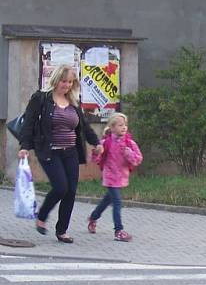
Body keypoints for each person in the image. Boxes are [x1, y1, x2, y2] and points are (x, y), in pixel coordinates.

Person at [17, 64, 100, 243]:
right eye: (64, 81)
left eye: (70, 82)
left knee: (70, 191)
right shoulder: (41, 98)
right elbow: (29, 123)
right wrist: (24, 146)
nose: (67, 85)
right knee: (60, 187)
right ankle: (42, 215)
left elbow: (83, 127)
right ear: (56, 80)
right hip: (49, 151)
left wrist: (96, 143)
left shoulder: (73, 102)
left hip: (70, 151)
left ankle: (62, 230)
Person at [87, 112, 143, 242]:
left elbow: (137, 159)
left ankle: (93, 217)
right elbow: (96, 158)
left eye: (125, 125)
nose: (124, 127)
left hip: (122, 177)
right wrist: (96, 152)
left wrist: (128, 153)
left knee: (107, 200)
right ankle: (118, 231)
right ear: (112, 128)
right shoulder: (106, 143)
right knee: (117, 202)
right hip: (110, 176)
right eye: (120, 125)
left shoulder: (129, 143)